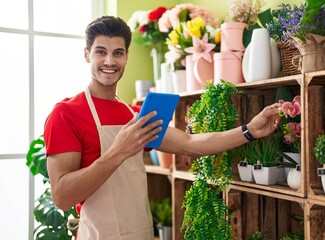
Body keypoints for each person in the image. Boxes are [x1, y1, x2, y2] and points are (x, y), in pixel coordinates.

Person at [44, 16, 282, 239]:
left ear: (126, 56)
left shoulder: (137, 115)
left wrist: (250, 130)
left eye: (117, 53)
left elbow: (191, 143)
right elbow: (62, 197)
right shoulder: (66, 114)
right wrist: (119, 151)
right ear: (87, 55)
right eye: (100, 52)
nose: (109, 61)